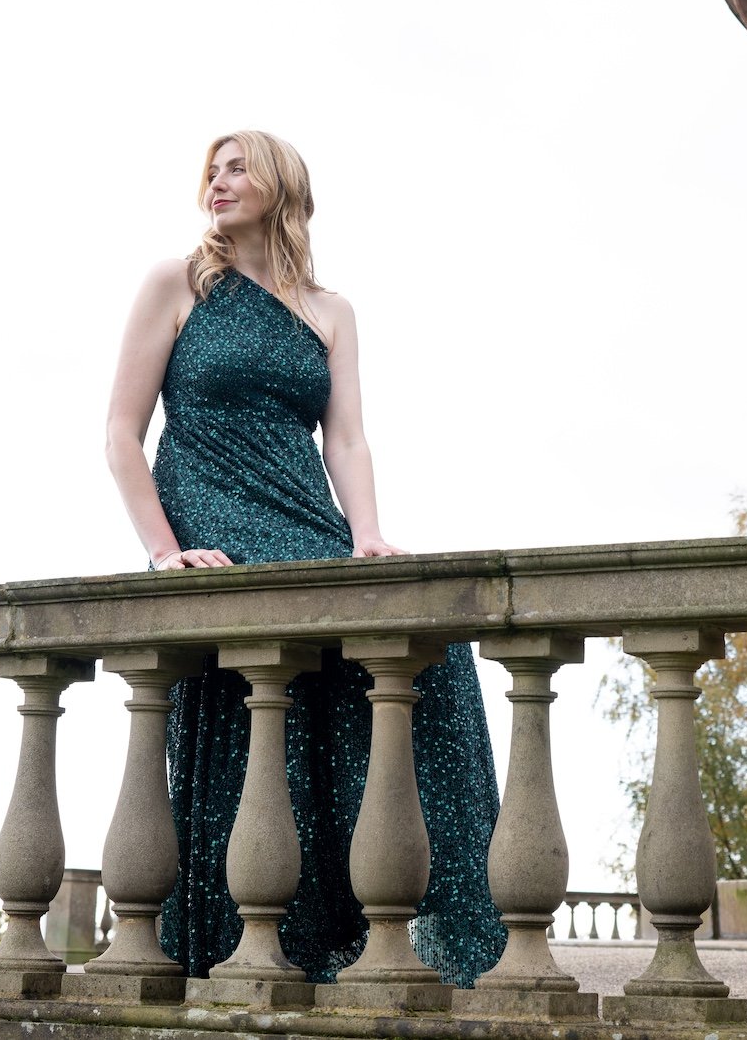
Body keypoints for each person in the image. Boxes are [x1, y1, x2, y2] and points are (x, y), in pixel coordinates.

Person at [104, 129, 505, 984]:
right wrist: (163, 550)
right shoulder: (177, 284)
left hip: (303, 518)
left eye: (237, 166)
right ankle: (259, 936)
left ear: (281, 182)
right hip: (211, 520)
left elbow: (348, 439)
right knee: (269, 684)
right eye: (211, 170)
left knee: (429, 651)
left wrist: (366, 535)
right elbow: (119, 433)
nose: (217, 180)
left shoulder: (332, 310)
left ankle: (375, 911)